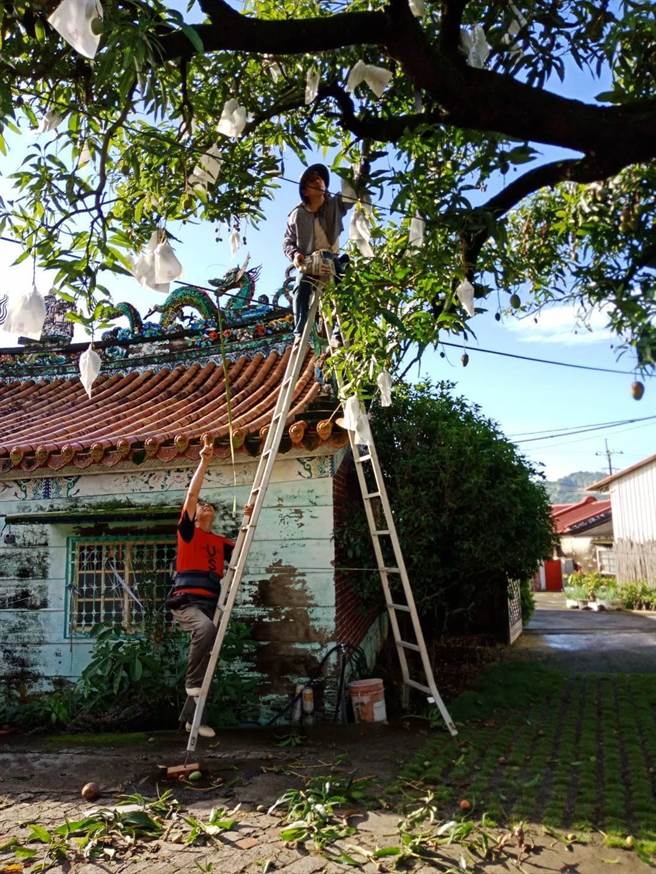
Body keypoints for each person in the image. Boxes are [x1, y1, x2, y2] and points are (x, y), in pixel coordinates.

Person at [166, 433, 234, 738]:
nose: (203, 506)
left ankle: (192, 720)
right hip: (186, 604)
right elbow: (192, 498)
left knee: (209, 661)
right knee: (206, 631)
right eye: (200, 506)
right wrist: (204, 460)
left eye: (209, 505)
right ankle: (190, 684)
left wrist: (248, 518)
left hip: (208, 605)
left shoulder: (219, 542)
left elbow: (244, 544)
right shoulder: (188, 534)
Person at [283, 163, 353, 339]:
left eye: (320, 178)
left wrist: (360, 171)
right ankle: (300, 331)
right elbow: (287, 241)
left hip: (331, 257)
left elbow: (351, 195)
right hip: (309, 261)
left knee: (344, 287)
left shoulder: (335, 204)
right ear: (305, 191)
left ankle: (340, 331)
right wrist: (295, 255)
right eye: (313, 179)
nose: (319, 181)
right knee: (300, 290)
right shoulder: (296, 215)